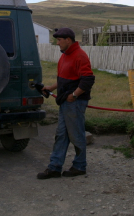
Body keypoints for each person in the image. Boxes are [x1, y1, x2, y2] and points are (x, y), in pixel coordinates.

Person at [37, 27, 95, 179]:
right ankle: (55, 168)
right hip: (65, 102)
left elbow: (88, 79)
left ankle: (80, 166)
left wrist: (74, 95)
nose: (57, 43)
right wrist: (51, 87)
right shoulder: (64, 56)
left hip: (74, 103)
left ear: (68, 40)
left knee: (76, 135)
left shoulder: (80, 56)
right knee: (61, 135)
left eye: (59, 40)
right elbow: (63, 79)